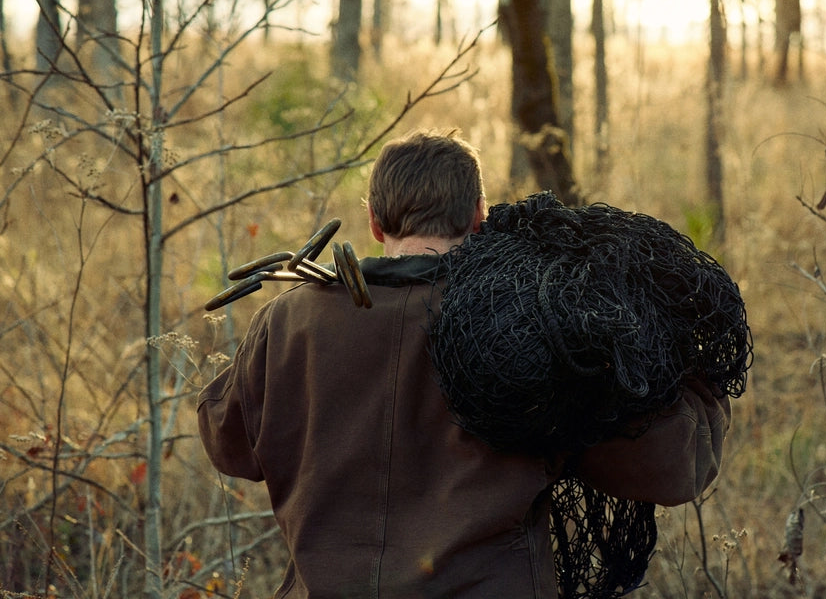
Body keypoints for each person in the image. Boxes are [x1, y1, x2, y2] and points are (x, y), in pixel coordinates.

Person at [197, 129, 731, 598]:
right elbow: (674, 469)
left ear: (375, 221)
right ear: (479, 215)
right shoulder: (531, 326)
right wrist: (691, 374)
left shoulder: (289, 321)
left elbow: (228, 442)